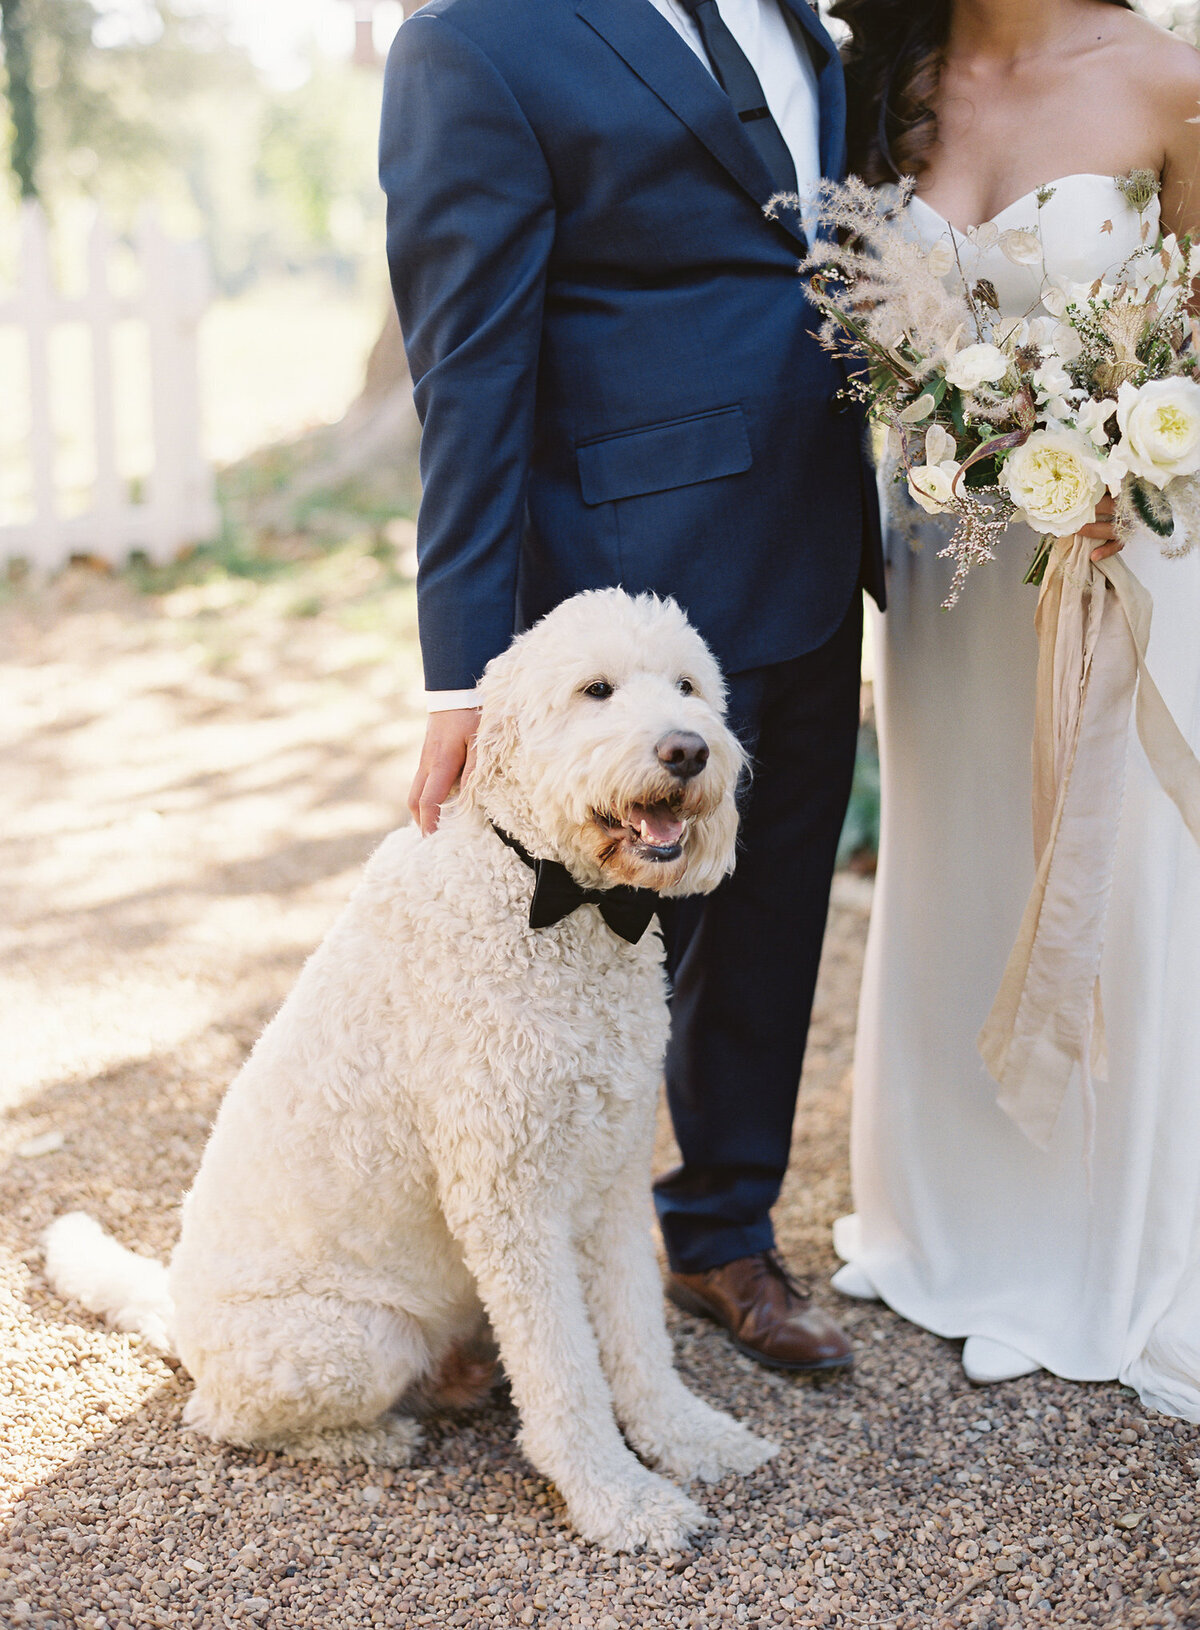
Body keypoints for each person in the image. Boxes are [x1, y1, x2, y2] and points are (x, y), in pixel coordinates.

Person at [379, 0, 885, 1371]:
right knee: (565, 954)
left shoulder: (797, 12)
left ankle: (722, 1229)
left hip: (812, 537)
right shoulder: (473, 41)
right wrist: (465, 676)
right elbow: (467, 377)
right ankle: (499, 1275)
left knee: (776, 905)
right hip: (626, 574)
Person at [830, 0, 1200, 1418]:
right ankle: (945, 1222)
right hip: (940, 576)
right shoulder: (889, 81)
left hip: (1115, 563)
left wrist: (1119, 450)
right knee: (960, 854)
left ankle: (1084, 1245)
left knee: (1104, 864)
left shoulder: (1170, 79)